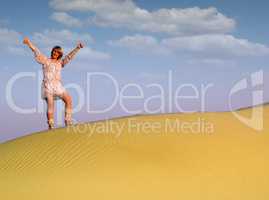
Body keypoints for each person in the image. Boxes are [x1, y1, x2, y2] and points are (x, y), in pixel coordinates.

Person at [23, 37, 84, 129]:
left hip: (58, 86)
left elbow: (69, 57)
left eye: (57, 52)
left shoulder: (61, 63)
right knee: (51, 104)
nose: (55, 53)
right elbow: (36, 51)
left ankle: (68, 120)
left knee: (68, 99)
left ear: (60, 54)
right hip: (47, 86)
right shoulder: (45, 60)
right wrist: (28, 43)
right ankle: (51, 125)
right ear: (52, 52)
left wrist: (77, 48)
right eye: (54, 51)